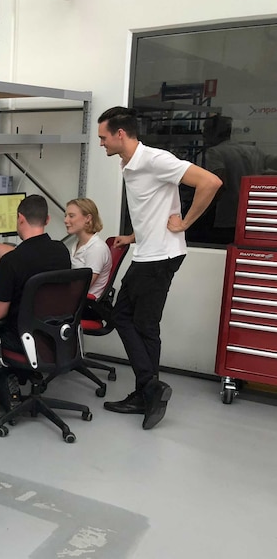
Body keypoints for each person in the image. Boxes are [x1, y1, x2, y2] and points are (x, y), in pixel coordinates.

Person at [97, 106, 221, 430]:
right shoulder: (129, 164)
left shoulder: (155, 159)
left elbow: (210, 182)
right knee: (134, 321)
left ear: (120, 134)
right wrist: (132, 235)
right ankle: (147, 391)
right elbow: (152, 206)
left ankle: (150, 389)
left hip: (161, 256)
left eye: (103, 137)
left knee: (134, 321)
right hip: (148, 251)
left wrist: (185, 223)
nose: (101, 144)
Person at [0, 194, 71, 410]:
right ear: (47, 220)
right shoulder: (60, 251)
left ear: (20, 218)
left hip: (20, 337)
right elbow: (23, 254)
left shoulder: (12, 262)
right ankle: (21, 372)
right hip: (52, 334)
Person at [202, 114, 277, 244]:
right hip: (253, 215)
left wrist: (202, 210)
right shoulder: (253, 150)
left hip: (227, 216)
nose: (203, 135)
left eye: (205, 130)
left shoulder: (215, 152)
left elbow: (219, 183)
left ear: (213, 132)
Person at [64, 198, 112, 300]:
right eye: (66, 216)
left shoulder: (97, 248)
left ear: (88, 218)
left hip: (84, 306)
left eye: (71, 216)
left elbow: (81, 287)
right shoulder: (77, 244)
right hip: (75, 302)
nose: (66, 220)